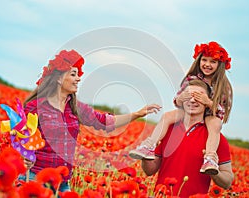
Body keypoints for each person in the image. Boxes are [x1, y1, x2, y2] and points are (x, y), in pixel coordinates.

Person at [19, 49, 161, 192]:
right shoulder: (36, 106)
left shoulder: (75, 108)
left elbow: (106, 122)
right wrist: (22, 157)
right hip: (35, 178)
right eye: (73, 74)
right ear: (59, 78)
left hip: (62, 184)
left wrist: (137, 114)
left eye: (78, 74)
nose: (79, 78)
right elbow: (19, 137)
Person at [129, 41, 233, 175]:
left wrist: (208, 102)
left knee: (216, 124)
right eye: (204, 60)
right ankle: (149, 146)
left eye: (213, 62)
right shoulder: (191, 78)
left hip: (210, 115)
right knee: (167, 116)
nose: (207, 64)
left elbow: (222, 111)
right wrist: (181, 98)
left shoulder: (223, 86)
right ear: (198, 60)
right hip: (188, 112)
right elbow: (177, 101)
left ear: (220, 65)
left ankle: (210, 158)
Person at [141, 79, 234, 197]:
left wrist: (214, 171)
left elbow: (227, 182)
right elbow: (150, 171)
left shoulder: (216, 138)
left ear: (207, 102)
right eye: (188, 95)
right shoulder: (167, 130)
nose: (192, 100)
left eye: (199, 96)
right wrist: (144, 158)